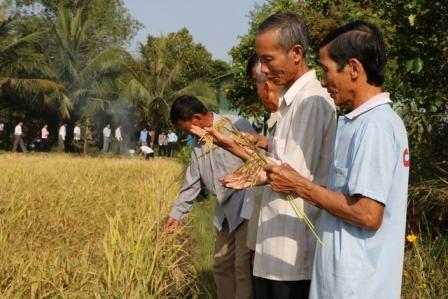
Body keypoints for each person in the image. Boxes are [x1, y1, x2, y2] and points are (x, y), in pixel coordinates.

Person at [263, 21, 410, 299]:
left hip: (357, 286)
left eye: (327, 70)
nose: (323, 80)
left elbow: (367, 214)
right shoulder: (360, 122)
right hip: (341, 281)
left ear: (354, 68)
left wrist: (301, 186)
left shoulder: (375, 126)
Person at [214, 13, 337, 299]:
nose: (264, 70)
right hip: (275, 244)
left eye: (268, 59)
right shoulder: (289, 102)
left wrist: (234, 148)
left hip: (293, 251)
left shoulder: (310, 101)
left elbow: (288, 174)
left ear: (296, 53)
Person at [164, 95, 255, 299]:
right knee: (221, 265)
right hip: (224, 211)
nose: (186, 133)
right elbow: (192, 182)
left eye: (186, 128)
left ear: (197, 118)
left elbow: (257, 162)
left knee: (242, 267)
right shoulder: (198, 144)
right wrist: (176, 214)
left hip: (246, 207)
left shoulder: (235, 125)